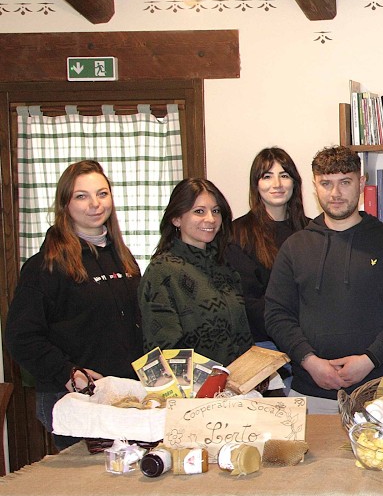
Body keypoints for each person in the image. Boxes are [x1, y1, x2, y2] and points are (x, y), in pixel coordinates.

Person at [264, 146, 383, 414]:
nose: (335, 193)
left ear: (361, 183)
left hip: (380, 392)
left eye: (345, 182)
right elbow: (277, 314)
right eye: (326, 183)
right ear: (315, 186)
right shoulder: (295, 246)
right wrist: (310, 361)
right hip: (310, 391)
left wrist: (370, 359)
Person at [4, 160, 144, 451]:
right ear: (65, 204)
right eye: (82, 196)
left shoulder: (123, 258)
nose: (95, 204)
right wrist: (68, 373)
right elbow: (21, 337)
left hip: (122, 398)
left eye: (102, 194)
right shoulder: (45, 265)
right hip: (75, 402)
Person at [139, 178, 253, 368]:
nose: (211, 219)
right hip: (193, 385)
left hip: (237, 382)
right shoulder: (161, 271)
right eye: (199, 211)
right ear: (176, 219)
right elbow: (162, 351)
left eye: (216, 211)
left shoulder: (224, 267)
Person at [226, 148, 307, 354]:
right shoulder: (238, 233)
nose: (277, 184)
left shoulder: (312, 230)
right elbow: (247, 301)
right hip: (265, 344)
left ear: (294, 182)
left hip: (311, 337)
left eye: (284, 175)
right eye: (267, 176)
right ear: (256, 184)